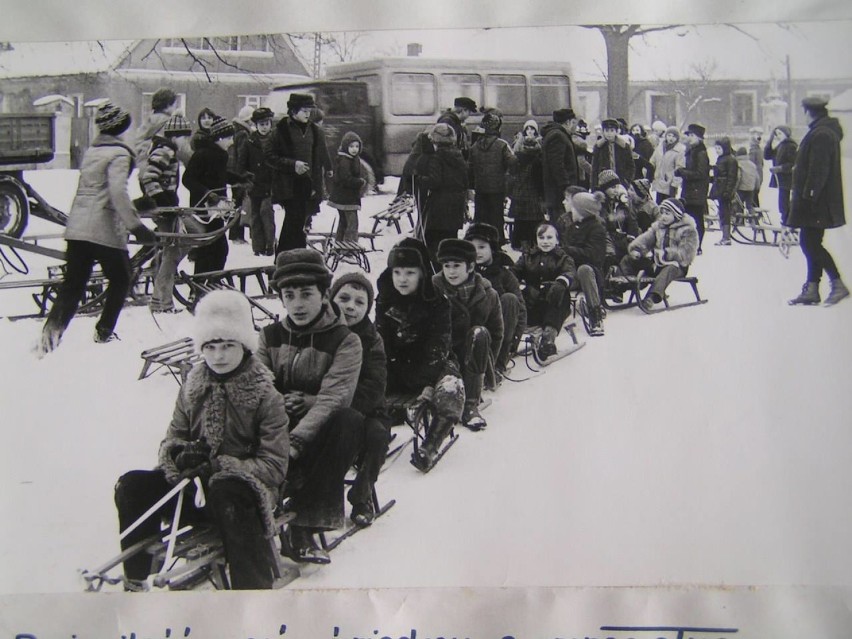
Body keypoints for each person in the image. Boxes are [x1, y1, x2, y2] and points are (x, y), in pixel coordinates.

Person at [113, 289, 290, 590]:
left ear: (245, 346)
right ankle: (136, 578)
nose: (218, 356)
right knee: (132, 485)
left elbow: (274, 466)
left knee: (225, 488)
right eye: (210, 346)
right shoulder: (193, 387)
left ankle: (252, 592)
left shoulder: (265, 395)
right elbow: (173, 437)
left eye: (227, 345)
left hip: (245, 496)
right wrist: (180, 457)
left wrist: (223, 465)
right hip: (194, 492)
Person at [257, 249, 364, 564]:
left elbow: (334, 397)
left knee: (349, 419)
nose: (298, 304)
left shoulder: (345, 340)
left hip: (320, 433)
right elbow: (259, 387)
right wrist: (278, 419)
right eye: (289, 295)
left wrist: (295, 442)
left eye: (306, 294)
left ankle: (305, 522)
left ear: (323, 294)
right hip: (276, 428)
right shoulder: (269, 335)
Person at [38, 102, 156, 356]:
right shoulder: (120, 154)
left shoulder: (94, 151)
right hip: (104, 230)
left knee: (73, 285)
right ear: (121, 127)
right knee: (122, 277)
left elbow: (96, 191)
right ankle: (104, 331)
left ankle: (49, 337)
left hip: (78, 227)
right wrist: (136, 226)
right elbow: (116, 192)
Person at [375, 239, 465, 472]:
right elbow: (380, 341)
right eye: (397, 272)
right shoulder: (385, 298)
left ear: (422, 274)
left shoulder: (437, 301)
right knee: (366, 383)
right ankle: (375, 437)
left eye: (409, 273)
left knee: (450, 388)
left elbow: (438, 345)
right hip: (397, 365)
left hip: (432, 363)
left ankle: (431, 443)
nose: (402, 279)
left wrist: (427, 383)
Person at [330, 272, 391, 526]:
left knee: (377, 435)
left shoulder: (372, 339)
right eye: (343, 298)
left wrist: (343, 407)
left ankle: (362, 494)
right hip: (324, 410)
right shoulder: (321, 332)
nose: (350, 307)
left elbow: (374, 386)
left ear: (367, 308)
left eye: (359, 302)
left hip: (365, 411)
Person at [432, 239, 503, 431]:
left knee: (480, 332)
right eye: (446, 266)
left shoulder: (488, 294)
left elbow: (497, 333)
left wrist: (487, 364)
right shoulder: (433, 290)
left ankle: (471, 406)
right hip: (442, 356)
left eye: (457, 266)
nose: (451, 272)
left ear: (471, 266)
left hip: (472, 358)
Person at [786, 96, 849, 307]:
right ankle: (812, 288)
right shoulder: (822, 131)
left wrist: (809, 196)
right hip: (815, 199)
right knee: (810, 242)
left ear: (808, 112)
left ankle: (837, 284)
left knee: (810, 243)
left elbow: (818, 170)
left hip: (815, 201)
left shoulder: (821, 134)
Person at [138, 113, 193, 313]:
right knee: (172, 252)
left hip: (167, 207)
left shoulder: (165, 149)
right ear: (175, 135)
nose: (185, 142)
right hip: (164, 209)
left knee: (174, 250)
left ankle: (160, 298)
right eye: (184, 137)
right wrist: (161, 199)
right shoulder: (166, 150)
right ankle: (161, 302)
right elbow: (148, 177)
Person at [266, 93, 333, 254]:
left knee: (300, 223)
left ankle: (294, 257)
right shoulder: (280, 130)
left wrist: (328, 169)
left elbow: (322, 153)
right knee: (293, 221)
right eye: (304, 110)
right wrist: (292, 165)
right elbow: (269, 156)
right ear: (293, 111)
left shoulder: (316, 131)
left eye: (309, 110)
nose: (308, 114)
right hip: (289, 185)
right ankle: (285, 257)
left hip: (309, 185)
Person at [182, 115, 244, 275]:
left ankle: (210, 280)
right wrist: (207, 193)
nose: (232, 142)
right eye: (230, 138)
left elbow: (219, 175)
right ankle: (203, 282)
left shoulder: (220, 155)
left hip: (217, 209)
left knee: (217, 248)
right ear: (220, 137)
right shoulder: (202, 154)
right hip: (203, 209)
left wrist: (240, 179)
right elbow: (187, 179)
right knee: (211, 248)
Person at [464, 223, 527, 377]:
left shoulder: (504, 274)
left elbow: (521, 310)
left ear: (492, 248)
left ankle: (499, 363)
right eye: (472, 248)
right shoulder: (463, 272)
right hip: (472, 330)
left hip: (500, 331)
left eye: (481, 247)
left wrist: (513, 342)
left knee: (509, 299)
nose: (476, 252)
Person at [618, 197, 699, 312]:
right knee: (628, 259)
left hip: (677, 266)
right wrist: (637, 249)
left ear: (676, 215)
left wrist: (666, 254)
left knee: (670, 268)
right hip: (657, 263)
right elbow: (645, 239)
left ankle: (652, 296)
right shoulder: (658, 227)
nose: (663, 216)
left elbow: (686, 253)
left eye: (667, 213)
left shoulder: (687, 230)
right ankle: (619, 286)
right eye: (662, 213)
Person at [513, 222, 576, 360]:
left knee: (558, 298)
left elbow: (569, 271)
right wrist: (515, 281)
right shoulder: (528, 257)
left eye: (549, 237)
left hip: (554, 301)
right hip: (534, 302)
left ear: (557, 240)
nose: (545, 241)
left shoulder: (563, 258)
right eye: (541, 238)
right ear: (536, 240)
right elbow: (515, 271)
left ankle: (548, 338)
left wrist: (561, 282)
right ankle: (511, 339)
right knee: (518, 302)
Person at [415, 123, 469, 266]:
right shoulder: (459, 156)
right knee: (451, 241)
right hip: (456, 205)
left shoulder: (437, 157)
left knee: (434, 243)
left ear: (436, 142)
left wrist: (419, 179)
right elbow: (466, 179)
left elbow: (435, 181)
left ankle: (436, 271)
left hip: (439, 207)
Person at [561, 190, 608, 336]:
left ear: (582, 212)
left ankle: (595, 316)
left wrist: (569, 250)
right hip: (571, 272)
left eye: (573, 208)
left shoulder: (597, 229)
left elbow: (594, 255)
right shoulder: (571, 227)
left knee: (584, 269)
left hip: (590, 274)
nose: (571, 211)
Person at [469, 108, 516, 246]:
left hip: (480, 187)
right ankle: (496, 243)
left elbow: (470, 167)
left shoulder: (475, 146)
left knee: (480, 217)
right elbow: (512, 162)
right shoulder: (501, 145)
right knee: (496, 217)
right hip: (497, 188)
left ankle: (479, 241)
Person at [240, 107, 276, 257]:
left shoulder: (275, 140)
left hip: (270, 184)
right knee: (255, 216)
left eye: (267, 123)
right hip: (254, 185)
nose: (264, 127)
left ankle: (270, 244)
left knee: (266, 212)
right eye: (261, 124)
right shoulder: (249, 141)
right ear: (256, 125)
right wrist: (246, 178)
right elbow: (242, 163)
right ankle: (257, 246)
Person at [508, 119, 545, 251]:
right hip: (533, 190)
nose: (530, 132)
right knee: (534, 219)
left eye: (532, 129)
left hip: (520, 190)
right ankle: (533, 243)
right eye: (528, 129)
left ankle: (520, 243)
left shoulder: (517, 153)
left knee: (520, 219)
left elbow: (512, 172)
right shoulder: (539, 155)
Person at [674, 123, 710, 255]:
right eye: (689, 135)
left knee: (697, 220)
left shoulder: (700, 152)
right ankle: (691, 245)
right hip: (690, 191)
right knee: (689, 220)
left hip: (696, 192)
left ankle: (697, 246)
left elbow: (700, 174)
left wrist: (683, 172)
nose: (689, 138)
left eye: (692, 135)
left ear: (699, 137)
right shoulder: (692, 150)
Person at [133, 87, 178, 185]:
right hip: (164, 173)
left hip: (144, 172)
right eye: (174, 104)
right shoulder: (169, 124)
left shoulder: (146, 123)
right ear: (168, 105)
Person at [540, 108, 580, 218]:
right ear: (567, 122)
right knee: (562, 224)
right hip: (559, 195)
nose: (575, 127)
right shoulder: (558, 136)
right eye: (573, 123)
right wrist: (566, 188)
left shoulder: (556, 134)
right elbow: (557, 166)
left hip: (558, 194)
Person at [328, 131, 366, 243]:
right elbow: (346, 179)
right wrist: (360, 182)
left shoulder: (353, 158)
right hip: (346, 198)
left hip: (346, 197)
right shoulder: (345, 160)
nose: (354, 149)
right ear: (345, 147)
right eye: (351, 146)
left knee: (344, 222)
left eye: (357, 146)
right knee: (352, 224)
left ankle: (339, 244)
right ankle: (350, 247)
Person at [228, 105, 255, 244]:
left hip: (234, 174)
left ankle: (235, 234)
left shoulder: (235, 132)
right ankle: (236, 235)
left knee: (237, 203)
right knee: (241, 204)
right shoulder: (244, 134)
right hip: (240, 174)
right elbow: (242, 156)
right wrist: (242, 175)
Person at [763, 125, 798, 225]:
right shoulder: (781, 145)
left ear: (786, 134)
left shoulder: (791, 146)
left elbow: (792, 164)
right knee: (782, 203)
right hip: (782, 179)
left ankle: (787, 222)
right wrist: (770, 141)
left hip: (788, 179)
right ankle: (785, 221)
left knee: (784, 203)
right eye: (776, 134)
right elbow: (767, 156)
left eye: (780, 133)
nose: (777, 136)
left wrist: (778, 169)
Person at [591, 118, 635, 189]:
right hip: (603, 182)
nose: (609, 133)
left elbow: (631, 166)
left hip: (621, 182)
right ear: (603, 132)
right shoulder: (599, 146)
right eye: (607, 131)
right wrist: (594, 186)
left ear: (616, 131)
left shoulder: (623, 146)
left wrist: (627, 180)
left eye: (612, 130)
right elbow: (594, 168)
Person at [710, 136, 738, 246]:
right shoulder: (721, 159)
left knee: (725, 213)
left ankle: (726, 237)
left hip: (725, 192)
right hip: (720, 190)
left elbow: (732, 177)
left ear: (725, 148)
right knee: (722, 213)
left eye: (719, 149)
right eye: (716, 149)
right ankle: (724, 235)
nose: (717, 151)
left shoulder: (730, 160)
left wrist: (728, 191)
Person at [650, 126, 685, 204]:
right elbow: (653, 161)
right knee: (658, 205)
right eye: (669, 135)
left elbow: (679, 168)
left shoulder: (679, 151)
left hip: (669, 184)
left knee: (668, 205)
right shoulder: (660, 148)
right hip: (659, 182)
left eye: (674, 136)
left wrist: (675, 184)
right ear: (666, 136)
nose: (671, 138)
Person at [735, 146, 760, 215]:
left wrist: (735, 188)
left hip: (741, 188)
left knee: (739, 205)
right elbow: (757, 177)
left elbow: (738, 176)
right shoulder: (752, 165)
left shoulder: (738, 164)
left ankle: (740, 221)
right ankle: (753, 221)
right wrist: (756, 187)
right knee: (749, 205)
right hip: (751, 188)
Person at [747, 126, 765, 208]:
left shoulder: (753, 151)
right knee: (754, 195)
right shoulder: (758, 150)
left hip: (754, 176)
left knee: (752, 196)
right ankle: (756, 212)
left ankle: (755, 213)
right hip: (758, 174)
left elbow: (750, 164)